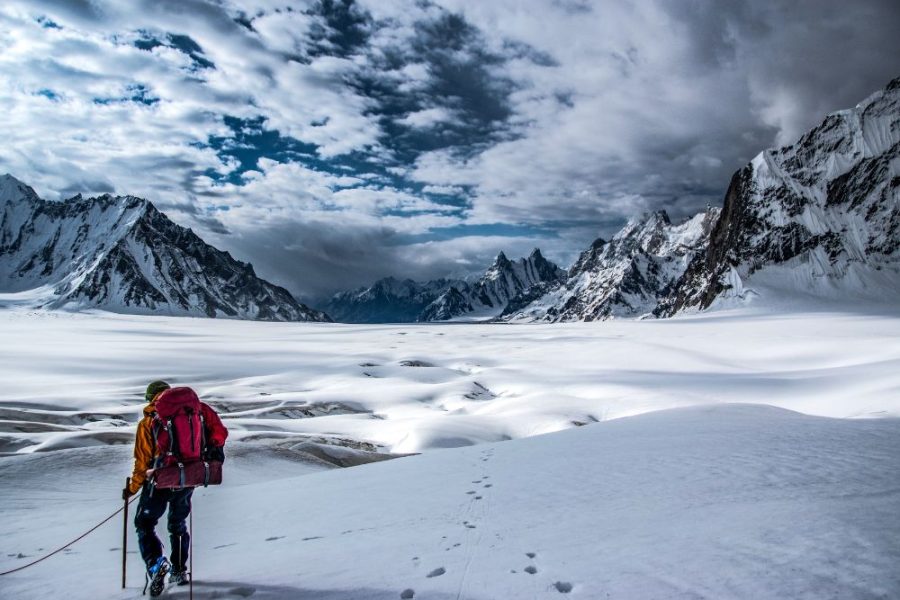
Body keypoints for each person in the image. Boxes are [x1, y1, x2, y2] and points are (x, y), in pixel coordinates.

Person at [122, 380, 227, 592]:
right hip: (188, 476)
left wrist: (132, 489)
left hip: (160, 478)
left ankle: (156, 564)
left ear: (152, 396)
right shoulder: (197, 408)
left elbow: (142, 461)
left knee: (144, 523)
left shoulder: (150, 418)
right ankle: (179, 570)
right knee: (177, 523)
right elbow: (220, 433)